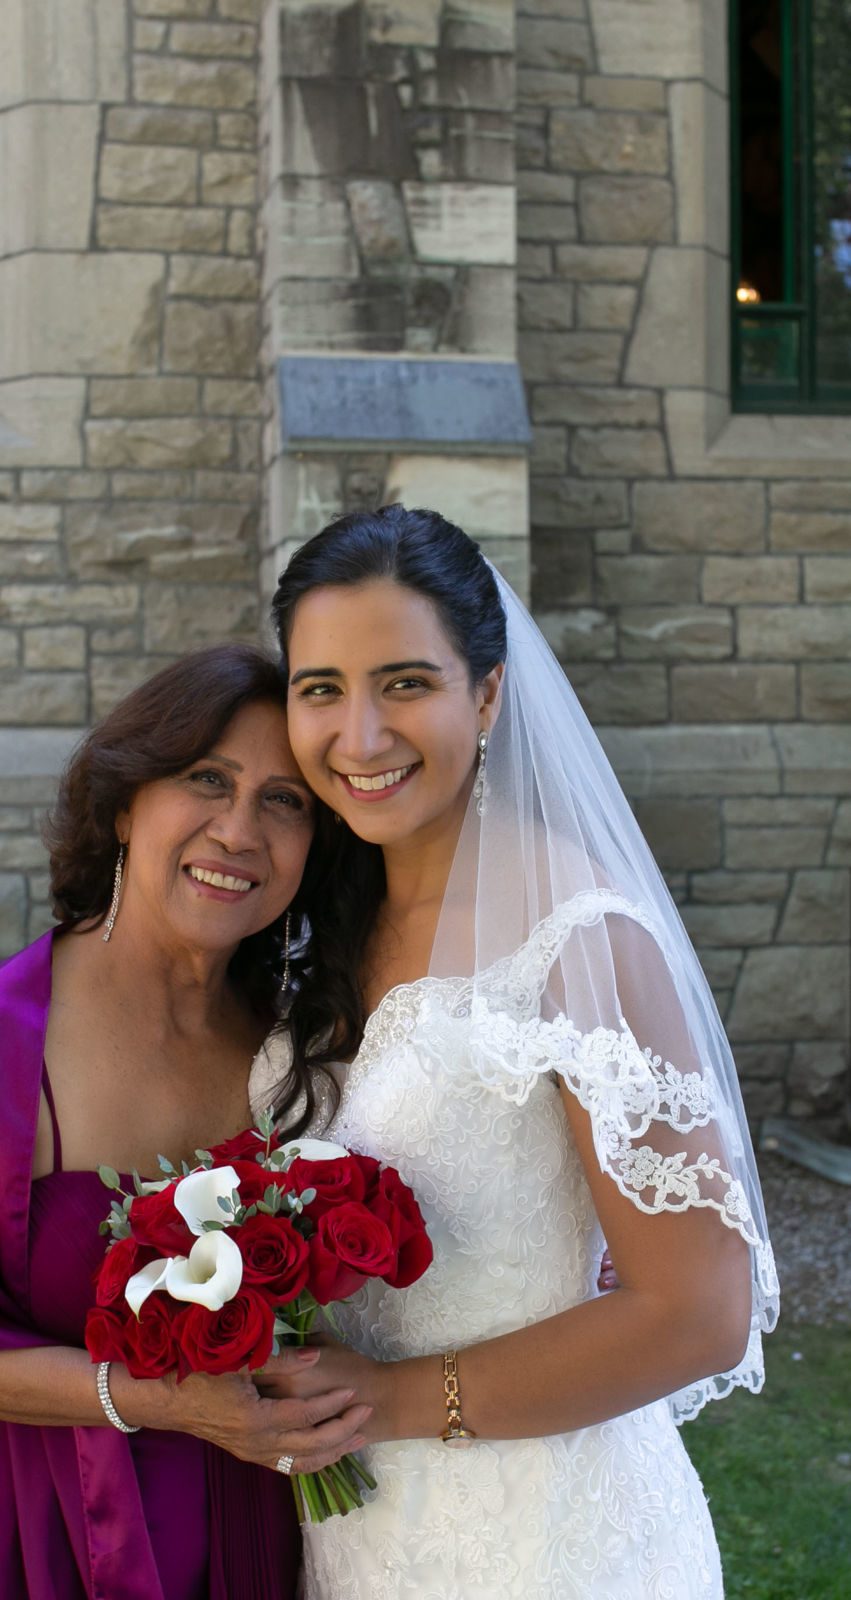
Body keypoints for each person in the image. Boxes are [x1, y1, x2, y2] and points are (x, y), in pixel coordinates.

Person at [254, 505, 779, 1599]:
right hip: (358, 1535)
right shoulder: (313, 928)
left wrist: (387, 1403)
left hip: (547, 1537)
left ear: (486, 692)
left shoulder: (575, 935)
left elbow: (697, 1309)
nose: (358, 736)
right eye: (322, 689)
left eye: (404, 682)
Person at [0, 643, 371, 1600]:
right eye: (206, 781)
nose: (239, 831)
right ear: (127, 803)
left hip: (252, 1528)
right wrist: (159, 1402)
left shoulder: (298, 1050)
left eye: (284, 801)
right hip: (32, 1533)